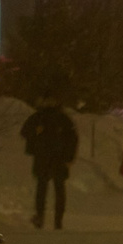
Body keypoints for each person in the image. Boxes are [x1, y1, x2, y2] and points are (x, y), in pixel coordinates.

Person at [20, 90, 80, 230]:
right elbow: (25, 132)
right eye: (47, 100)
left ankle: (56, 220)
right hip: (46, 157)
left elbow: (72, 139)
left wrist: (68, 156)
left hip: (55, 158)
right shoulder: (40, 117)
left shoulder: (59, 118)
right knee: (45, 188)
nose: (49, 103)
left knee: (56, 188)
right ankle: (42, 217)